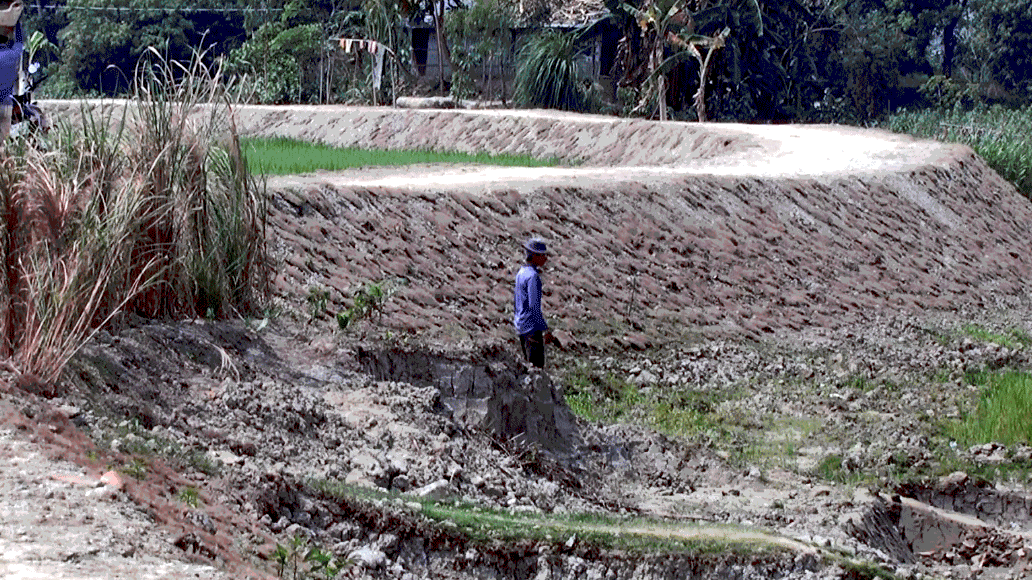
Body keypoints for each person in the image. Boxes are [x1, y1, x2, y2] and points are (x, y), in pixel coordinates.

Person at [513, 238, 555, 368]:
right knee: (536, 369)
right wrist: (545, 330)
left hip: (521, 325)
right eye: (543, 255)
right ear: (535, 256)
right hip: (531, 328)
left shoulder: (521, 273)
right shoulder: (533, 277)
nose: (545, 259)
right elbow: (534, 308)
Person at [0, 0, 23, 141]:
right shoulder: (14, 54)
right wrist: (17, 21)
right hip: (6, 105)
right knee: (2, 144)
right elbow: (20, 41)